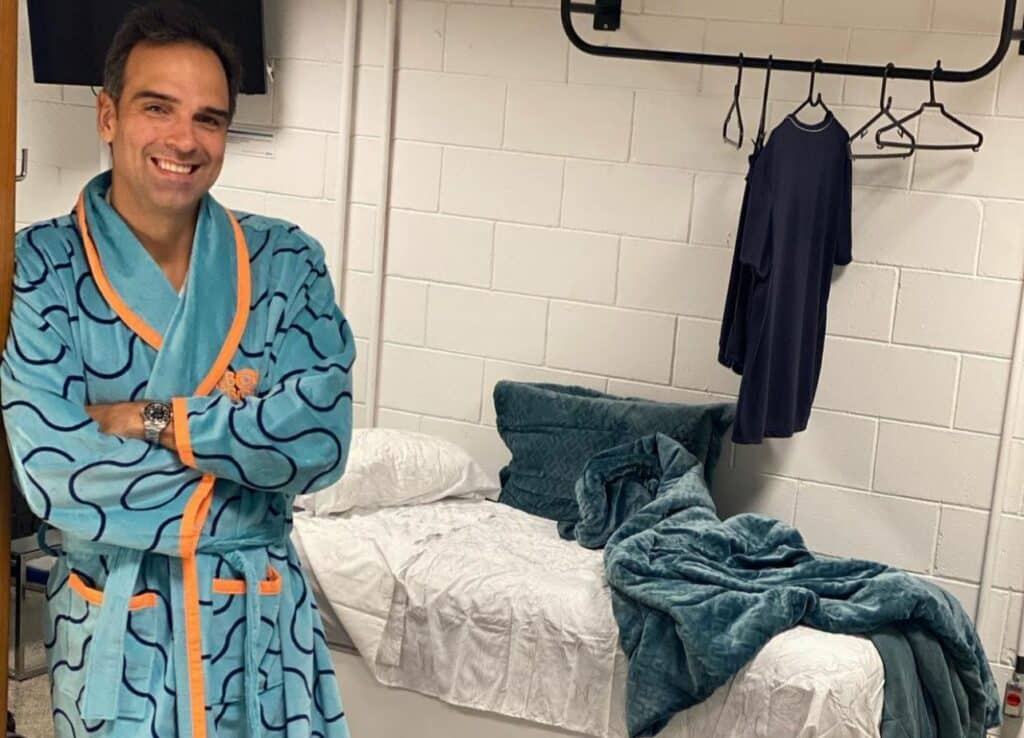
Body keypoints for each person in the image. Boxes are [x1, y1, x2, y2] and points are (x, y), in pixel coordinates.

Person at [0, 3, 355, 736]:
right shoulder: (40, 266)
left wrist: (150, 418)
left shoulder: (287, 262)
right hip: (112, 626)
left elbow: (319, 441)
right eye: (157, 107)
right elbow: (58, 472)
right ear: (108, 115)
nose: (184, 140)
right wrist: (248, 484)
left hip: (261, 632)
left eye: (208, 119)